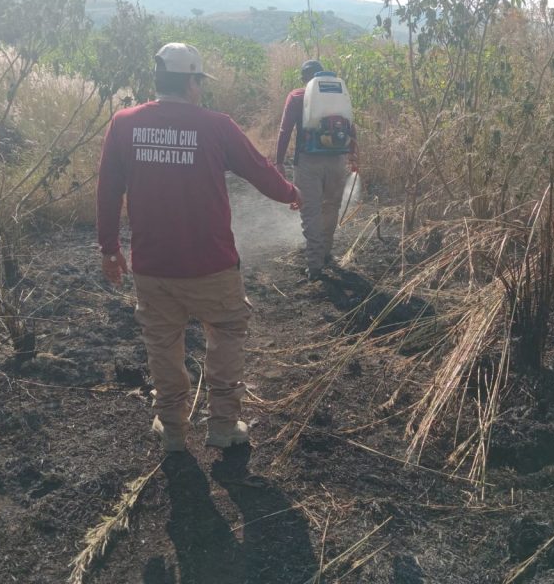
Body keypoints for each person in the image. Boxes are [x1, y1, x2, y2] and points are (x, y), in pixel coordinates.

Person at [97, 42, 302, 452]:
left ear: (158, 79)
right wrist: (290, 193)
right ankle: (223, 428)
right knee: (226, 336)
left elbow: (107, 191)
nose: (200, 90)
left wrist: (109, 248)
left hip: (154, 268)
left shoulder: (123, 124)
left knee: (163, 345)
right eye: (199, 82)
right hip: (213, 266)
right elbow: (259, 170)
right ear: (191, 81)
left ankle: (173, 430)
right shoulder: (217, 126)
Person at [275, 59, 358, 281]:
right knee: (330, 207)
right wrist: (353, 155)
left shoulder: (297, 96)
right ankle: (326, 252)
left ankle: (314, 265)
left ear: (305, 79)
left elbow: (285, 130)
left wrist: (279, 161)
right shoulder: (337, 94)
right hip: (338, 159)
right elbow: (351, 126)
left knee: (310, 211)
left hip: (309, 161)